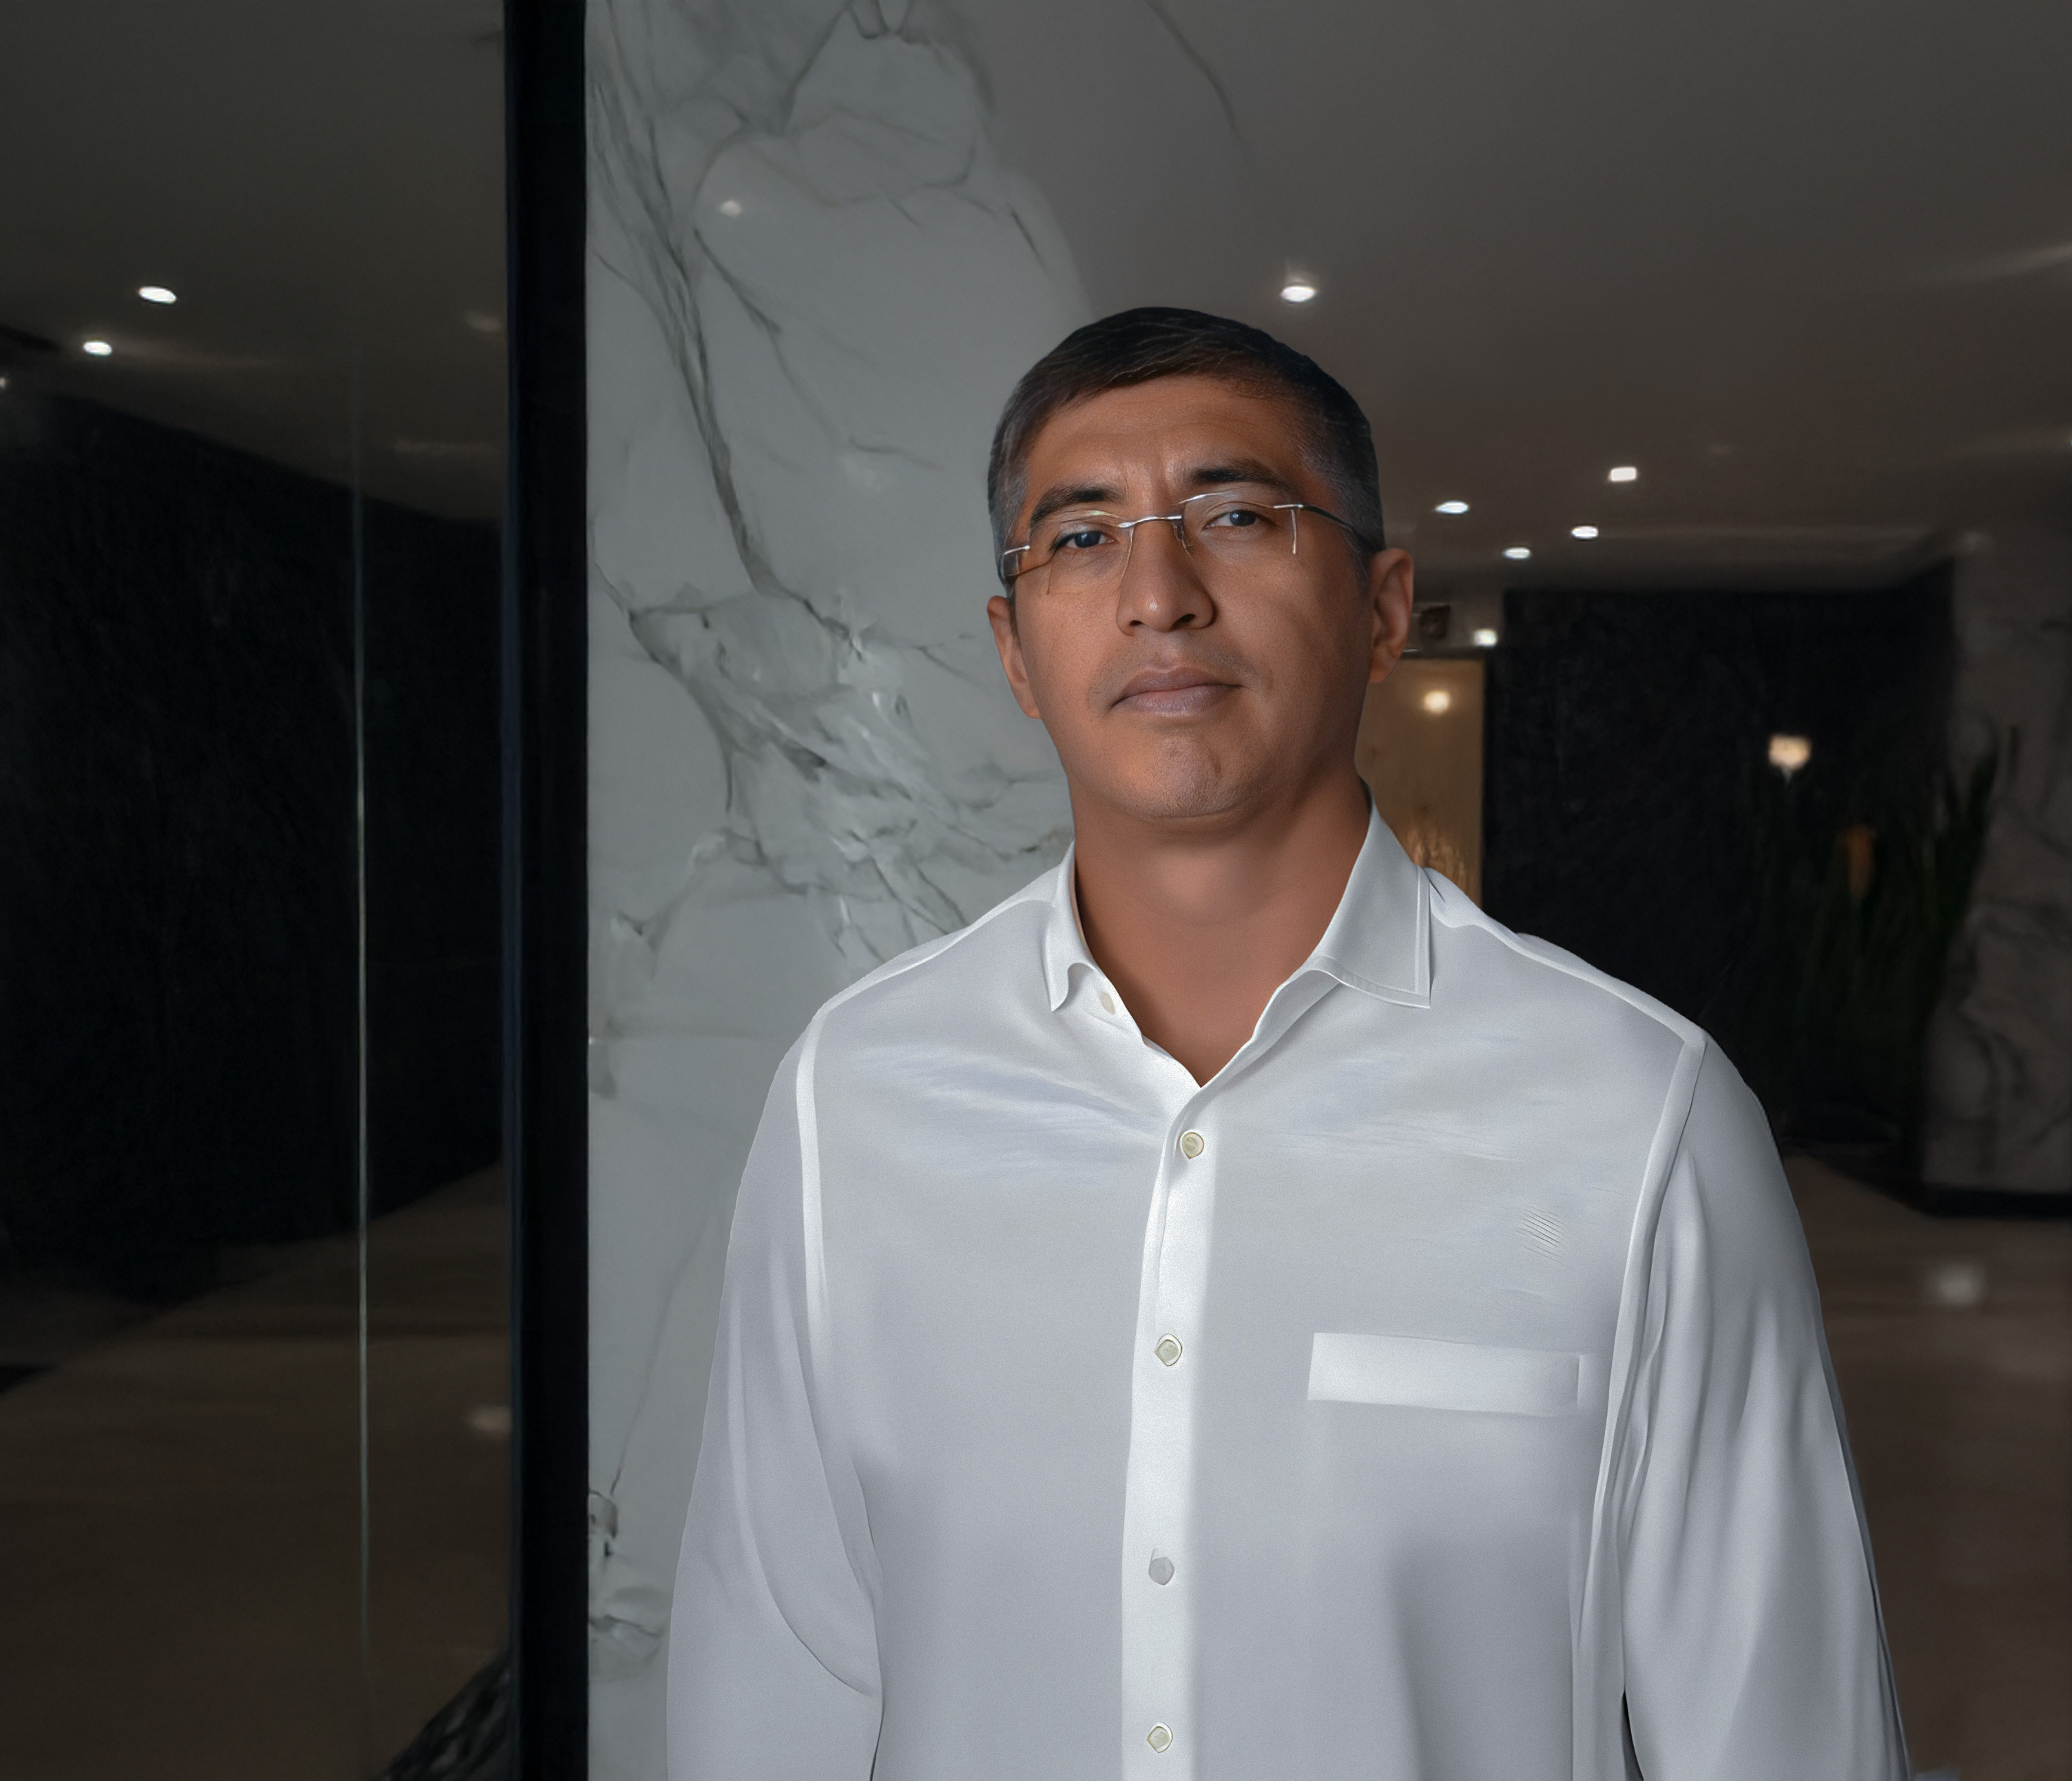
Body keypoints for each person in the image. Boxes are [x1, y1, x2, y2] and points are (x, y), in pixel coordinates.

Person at [669, 308, 1907, 1780]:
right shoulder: (856, 1094)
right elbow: (773, 1673)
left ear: (1384, 610)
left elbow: (1781, 1729)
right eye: (1082, 538)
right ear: (1014, 651)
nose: (1157, 596)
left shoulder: (1638, 1116)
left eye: (1237, 516)